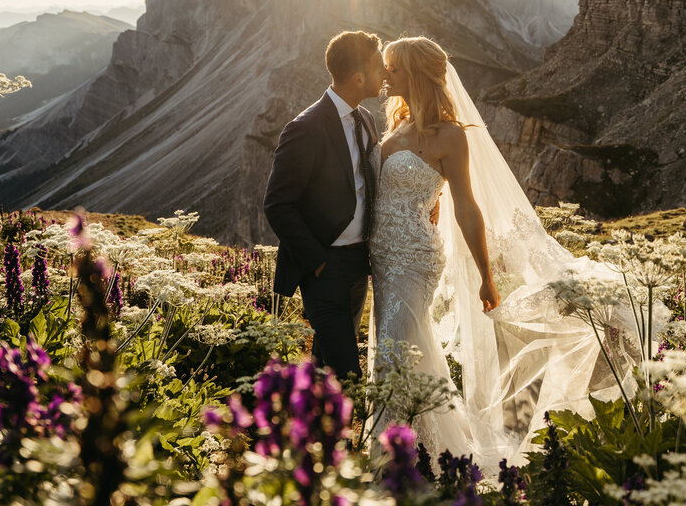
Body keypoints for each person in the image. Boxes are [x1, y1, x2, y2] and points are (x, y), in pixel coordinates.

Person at [368, 37, 655, 469]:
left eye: (393, 68)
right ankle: (414, 450)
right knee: (403, 350)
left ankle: (403, 462)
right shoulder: (394, 127)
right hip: (382, 259)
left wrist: (486, 274)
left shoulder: (450, 136)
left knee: (396, 352)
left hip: (415, 259)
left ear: (416, 74)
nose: (385, 75)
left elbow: (467, 207)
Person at [264, 30, 385, 380]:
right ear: (358, 77)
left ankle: (309, 430)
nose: (385, 75)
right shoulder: (306, 127)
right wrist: (317, 260)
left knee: (325, 367)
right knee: (347, 373)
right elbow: (277, 204)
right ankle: (339, 433)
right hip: (325, 268)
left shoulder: (367, 119)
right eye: (379, 67)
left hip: (358, 264)